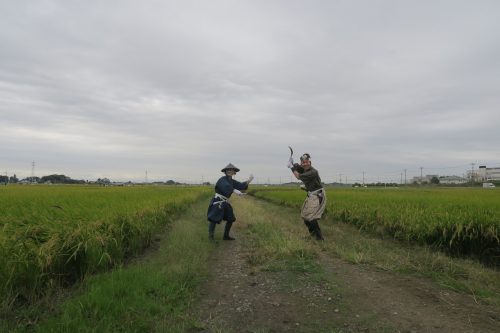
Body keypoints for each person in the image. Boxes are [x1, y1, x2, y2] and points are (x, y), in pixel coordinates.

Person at [207, 163, 254, 241]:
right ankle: (210, 238)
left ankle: (226, 236)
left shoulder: (232, 181)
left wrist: (249, 180)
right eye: (228, 170)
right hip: (218, 201)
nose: (230, 171)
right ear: (225, 171)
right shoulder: (222, 179)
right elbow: (226, 187)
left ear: (234, 172)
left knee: (231, 218)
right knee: (213, 219)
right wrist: (234, 190)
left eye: (232, 170)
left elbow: (241, 185)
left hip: (225, 202)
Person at [288, 153, 326, 240]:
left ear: (310, 162)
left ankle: (319, 238)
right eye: (303, 162)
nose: (305, 164)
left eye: (306, 162)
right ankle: (312, 235)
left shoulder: (313, 172)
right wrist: (294, 164)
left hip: (318, 195)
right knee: (305, 216)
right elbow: (300, 168)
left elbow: (298, 176)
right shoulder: (305, 170)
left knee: (311, 217)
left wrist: (291, 167)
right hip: (311, 195)